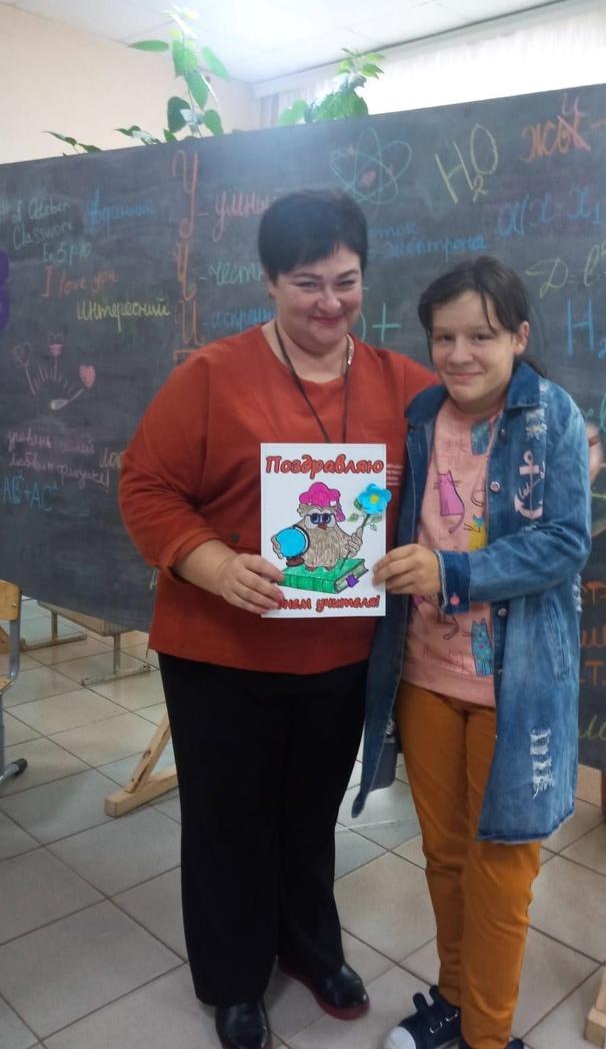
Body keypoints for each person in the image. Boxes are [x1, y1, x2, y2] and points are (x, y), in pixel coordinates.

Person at [118, 190, 435, 1049]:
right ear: (268, 281)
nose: (330, 302)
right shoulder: (212, 376)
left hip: (340, 654)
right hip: (220, 652)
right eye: (307, 283)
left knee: (308, 815)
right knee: (229, 823)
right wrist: (214, 564)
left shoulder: (404, 385)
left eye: (346, 280)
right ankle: (232, 978)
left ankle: (308, 948)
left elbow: (483, 423)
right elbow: (144, 486)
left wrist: (563, 437)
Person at [353, 256, 592, 1049]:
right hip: (424, 674)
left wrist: (453, 573)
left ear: (518, 337)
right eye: (443, 337)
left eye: (480, 336)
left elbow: (565, 543)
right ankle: (455, 1002)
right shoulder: (422, 416)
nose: (459, 354)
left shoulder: (551, 417)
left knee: (501, 868)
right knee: (445, 854)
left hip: (514, 687)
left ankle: (488, 1037)